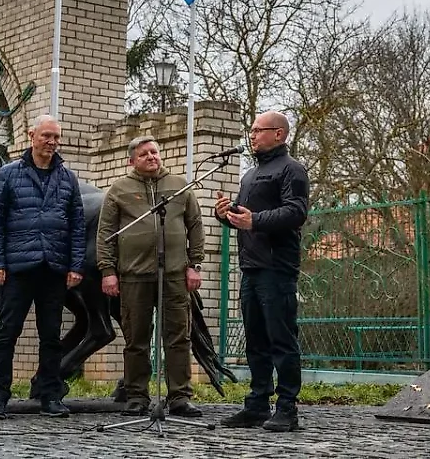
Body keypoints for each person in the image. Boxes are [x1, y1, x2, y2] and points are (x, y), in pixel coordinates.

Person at [0, 113, 86, 419]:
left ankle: (50, 395)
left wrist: (76, 265)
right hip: (17, 268)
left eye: (56, 137)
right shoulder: (8, 174)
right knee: (7, 334)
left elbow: (77, 226)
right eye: (47, 136)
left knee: (51, 336)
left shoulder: (68, 178)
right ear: (32, 136)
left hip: (53, 268)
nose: (52, 143)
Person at [96, 136, 205, 417]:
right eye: (144, 154)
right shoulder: (119, 189)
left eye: (155, 152)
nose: (152, 157)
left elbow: (195, 226)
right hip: (134, 275)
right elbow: (105, 233)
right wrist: (108, 271)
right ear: (132, 160)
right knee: (136, 339)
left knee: (178, 337)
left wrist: (195, 265)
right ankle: (137, 396)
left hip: (174, 275)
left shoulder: (180, 186)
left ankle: (180, 396)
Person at [214, 111, 309, 432]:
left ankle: (287, 408)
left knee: (281, 339)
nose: (251, 135)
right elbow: (245, 216)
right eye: (251, 130)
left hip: (276, 267)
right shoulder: (250, 175)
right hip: (250, 266)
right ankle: (256, 404)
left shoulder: (292, 170)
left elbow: (295, 212)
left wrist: (255, 220)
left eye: (258, 130)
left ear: (279, 134)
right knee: (255, 340)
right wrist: (226, 214)